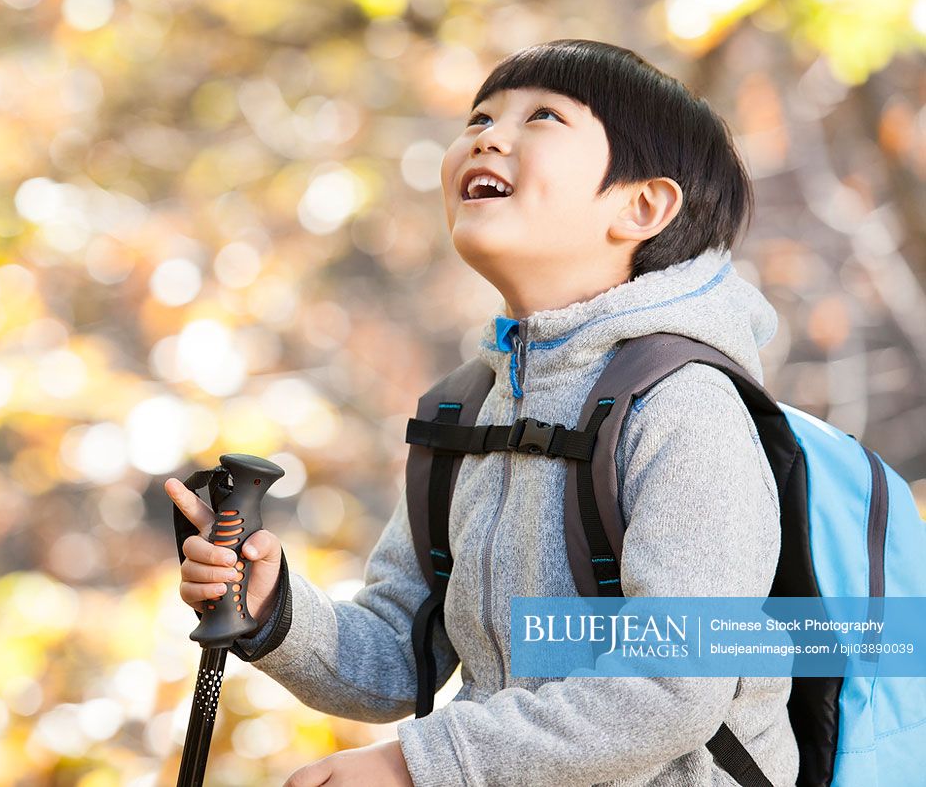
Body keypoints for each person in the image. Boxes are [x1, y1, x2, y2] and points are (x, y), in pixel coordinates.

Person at [168, 38, 798, 786]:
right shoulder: (466, 408)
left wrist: (415, 767)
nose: (487, 137)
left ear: (641, 206)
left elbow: (670, 690)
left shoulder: (683, 406)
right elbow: (395, 660)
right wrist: (270, 603)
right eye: (478, 118)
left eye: (542, 117)